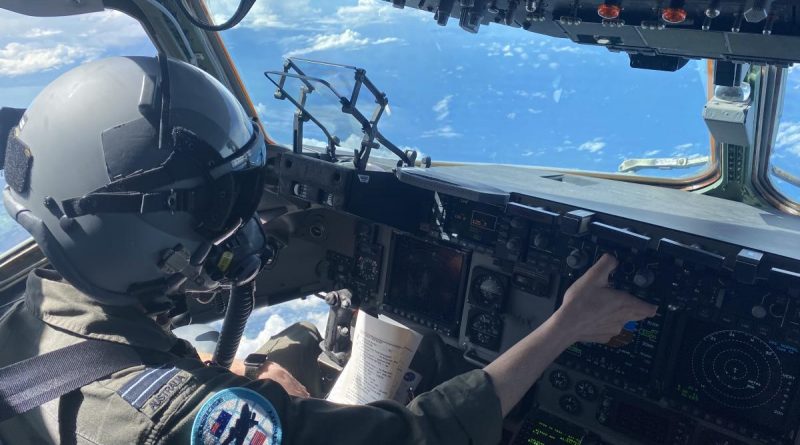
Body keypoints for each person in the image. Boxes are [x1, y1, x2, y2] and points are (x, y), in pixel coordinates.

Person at [0, 55, 657, 445]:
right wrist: (566, 325)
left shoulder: (28, 325)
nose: (235, 234)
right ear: (153, 248)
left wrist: (224, 374)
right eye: (220, 221)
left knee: (297, 339)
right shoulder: (175, 418)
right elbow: (414, 439)